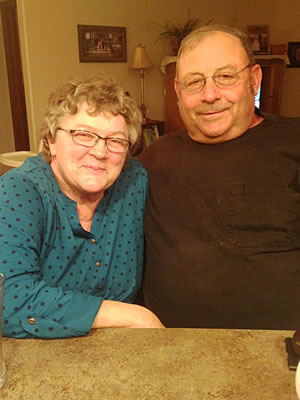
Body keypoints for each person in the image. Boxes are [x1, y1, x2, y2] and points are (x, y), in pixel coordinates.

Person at [138, 25, 300, 329]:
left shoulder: (293, 143)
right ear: (178, 92)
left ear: (253, 80)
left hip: (281, 356)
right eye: (194, 82)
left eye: (225, 77)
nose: (210, 95)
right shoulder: (153, 159)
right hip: (168, 352)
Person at [0, 73, 164, 338]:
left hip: (122, 350)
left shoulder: (133, 182)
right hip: (37, 357)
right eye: (83, 135)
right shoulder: (19, 191)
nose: (100, 152)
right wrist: (134, 315)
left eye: (116, 141)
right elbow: (8, 300)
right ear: (51, 141)